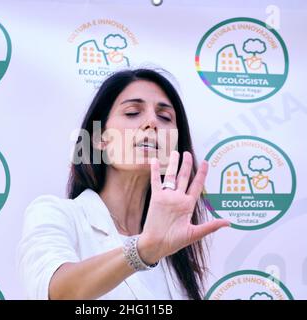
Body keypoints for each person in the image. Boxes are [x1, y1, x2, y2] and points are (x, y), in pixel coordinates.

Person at [17, 68, 230, 300]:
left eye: (165, 117)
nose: (152, 122)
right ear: (99, 139)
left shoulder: (176, 248)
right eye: (132, 112)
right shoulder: (56, 213)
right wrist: (142, 251)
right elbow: (57, 292)